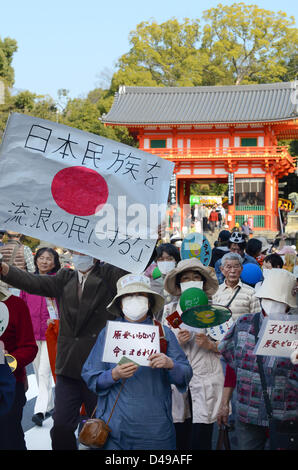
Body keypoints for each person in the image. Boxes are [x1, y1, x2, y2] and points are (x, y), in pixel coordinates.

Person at [0, 252, 127, 450]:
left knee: (100, 426)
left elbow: (131, 266)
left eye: (83, 252)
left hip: (99, 366)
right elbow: (34, 282)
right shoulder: (64, 277)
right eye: (75, 251)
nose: (79, 256)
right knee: (60, 426)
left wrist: (151, 240)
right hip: (68, 366)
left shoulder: (108, 275)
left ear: (95, 253)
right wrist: (5, 270)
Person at [81, 273, 192, 450]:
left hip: (156, 430)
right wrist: (113, 374)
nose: (134, 299)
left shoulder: (163, 333)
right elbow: (90, 376)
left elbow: (185, 374)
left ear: (149, 301)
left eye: (140, 295)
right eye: (128, 296)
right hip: (115, 428)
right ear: (120, 303)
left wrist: (170, 364)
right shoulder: (109, 334)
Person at [217, 269, 298, 450]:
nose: (273, 304)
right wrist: (224, 403)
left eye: (279, 300)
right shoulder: (243, 323)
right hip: (248, 412)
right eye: (269, 298)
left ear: (288, 304)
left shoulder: (295, 329)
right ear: (261, 299)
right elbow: (231, 366)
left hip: (286, 415)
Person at [163, 258, 223, 450]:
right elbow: (159, 348)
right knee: (179, 435)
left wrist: (211, 345)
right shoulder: (169, 311)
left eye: (196, 278)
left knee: (202, 437)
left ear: (203, 283)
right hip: (177, 383)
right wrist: (176, 343)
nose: (191, 281)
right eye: (186, 278)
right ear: (179, 285)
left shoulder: (215, 312)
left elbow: (228, 347)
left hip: (205, 379)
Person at [20, 247, 61, 427]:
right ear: (35, 260)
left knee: (44, 371)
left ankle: (39, 410)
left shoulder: (58, 281)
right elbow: (22, 306)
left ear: (55, 262)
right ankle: (50, 404)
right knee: (38, 371)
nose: (44, 261)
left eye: (48, 258)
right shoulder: (29, 281)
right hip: (31, 333)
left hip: (51, 333)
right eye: (41, 258)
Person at [0, 283, 38, 450]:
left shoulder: (15, 305)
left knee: (9, 438)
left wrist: (7, 361)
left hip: (8, 386)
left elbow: (29, 347)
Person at [212, 253, 261, 322]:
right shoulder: (215, 292)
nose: (232, 271)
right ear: (222, 269)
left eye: (236, 267)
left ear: (241, 269)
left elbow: (256, 320)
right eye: (228, 267)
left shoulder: (251, 292)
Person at [151, 243, 180, 322]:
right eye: (161, 259)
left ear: (176, 261)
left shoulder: (182, 282)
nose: (165, 262)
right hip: (160, 330)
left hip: (183, 330)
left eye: (169, 259)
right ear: (156, 262)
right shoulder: (152, 286)